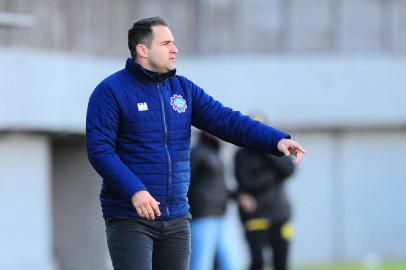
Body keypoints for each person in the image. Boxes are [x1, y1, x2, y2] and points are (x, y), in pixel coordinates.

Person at [86, 16, 306, 270]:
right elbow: (100, 150)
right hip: (130, 217)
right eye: (166, 43)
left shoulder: (183, 90)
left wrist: (275, 139)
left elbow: (227, 121)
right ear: (143, 50)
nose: (174, 49)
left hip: (177, 218)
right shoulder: (111, 91)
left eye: (174, 43)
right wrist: (135, 191)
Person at [234, 113, 296, 270]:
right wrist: (273, 178)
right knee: (257, 263)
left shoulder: (275, 151)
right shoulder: (241, 155)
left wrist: (266, 149)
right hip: (256, 215)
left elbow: (289, 169)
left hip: (280, 213)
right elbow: (246, 182)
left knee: (281, 264)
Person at [188, 131, 235, 270]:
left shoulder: (215, 153)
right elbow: (185, 185)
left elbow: (218, 186)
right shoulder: (196, 153)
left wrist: (239, 196)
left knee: (230, 263)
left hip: (221, 215)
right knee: (200, 264)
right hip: (202, 217)